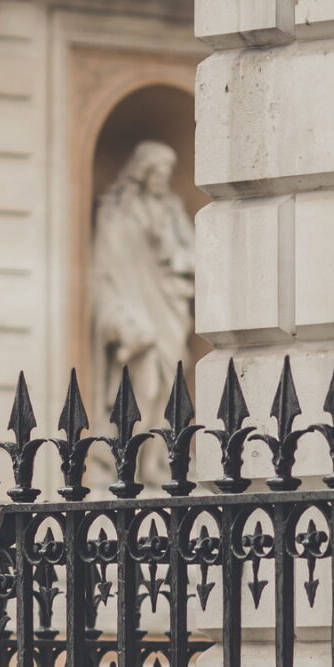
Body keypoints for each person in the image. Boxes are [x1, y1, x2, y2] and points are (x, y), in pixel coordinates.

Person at [90, 139, 195, 463]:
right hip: (134, 305)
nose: (164, 176)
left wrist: (171, 255)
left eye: (168, 170)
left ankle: (158, 464)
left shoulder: (172, 210)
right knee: (144, 383)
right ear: (143, 170)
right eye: (158, 170)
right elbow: (105, 265)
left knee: (170, 377)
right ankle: (128, 462)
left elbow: (194, 255)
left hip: (168, 304)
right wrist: (118, 312)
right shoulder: (116, 210)